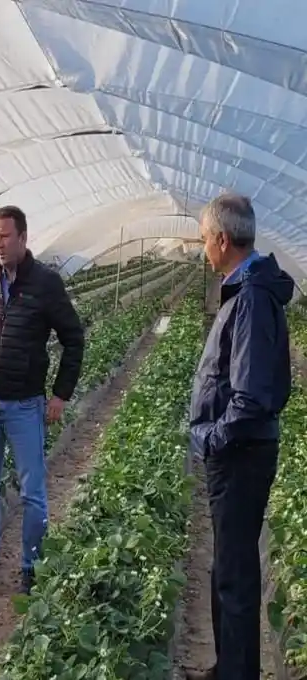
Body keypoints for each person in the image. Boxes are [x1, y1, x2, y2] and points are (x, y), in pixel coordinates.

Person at [188, 194, 292, 680]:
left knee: (235, 577)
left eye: (206, 240)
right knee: (227, 569)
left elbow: (248, 397)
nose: (204, 249)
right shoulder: (246, 288)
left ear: (223, 240)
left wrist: (211, 438)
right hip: (241, 453)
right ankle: (227, 667)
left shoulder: (249, 296)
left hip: (240, 454)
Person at [0, 205, 84, 595]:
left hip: (25, 405)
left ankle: (31, 564)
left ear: (23, 238)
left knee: (32, 491)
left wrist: (60, 395)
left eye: (5, 236)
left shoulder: (46, 284)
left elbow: (73, 339)